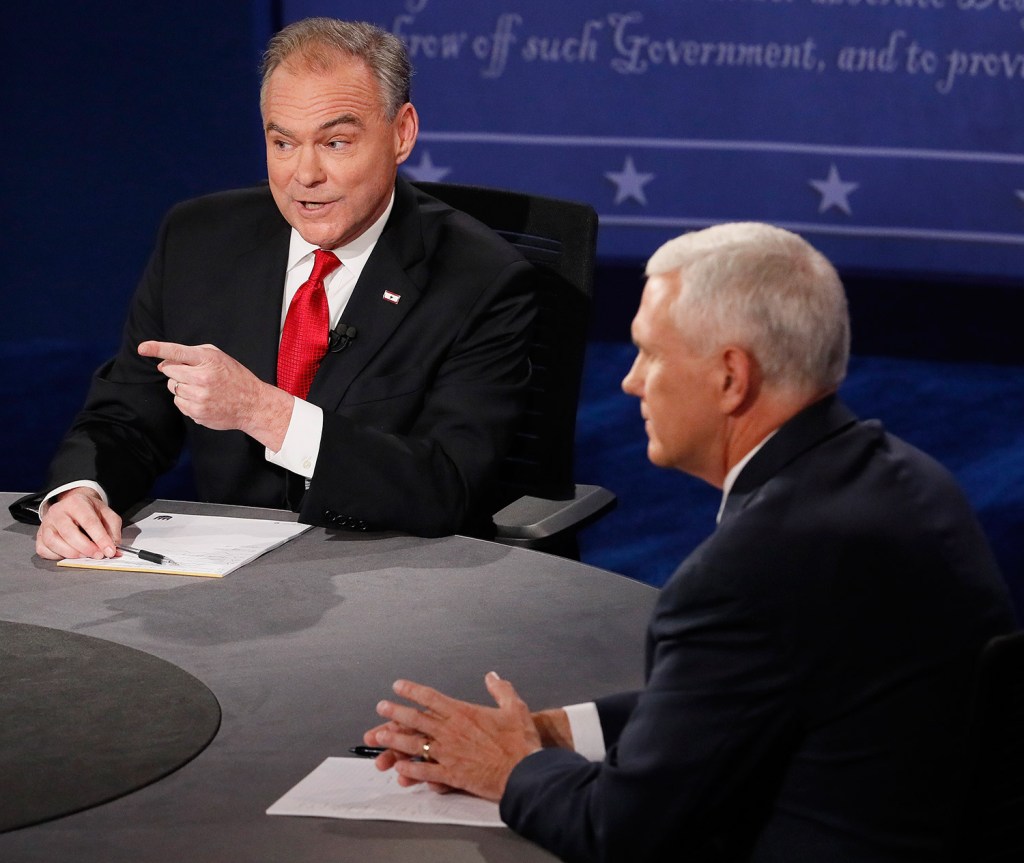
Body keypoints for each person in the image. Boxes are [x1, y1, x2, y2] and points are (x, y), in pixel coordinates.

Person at [363, 223, 1017, 861]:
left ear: (731, 376)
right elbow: (732, 696)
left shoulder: (752, 566)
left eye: (650, 351)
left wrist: (508, 767)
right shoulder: (908, 480)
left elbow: (616, 830)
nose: (630, 380)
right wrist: (554, 731)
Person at [33, 18, 536, 561]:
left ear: (401, 133)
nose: (305, 174)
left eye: (336, 142)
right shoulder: (198, 240)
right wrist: (82, 491)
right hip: (221, 583)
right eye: (283, 142)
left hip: (394, 576)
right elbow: (128, 415)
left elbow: (447, 486)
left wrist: (265, 413)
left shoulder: (482, 280)